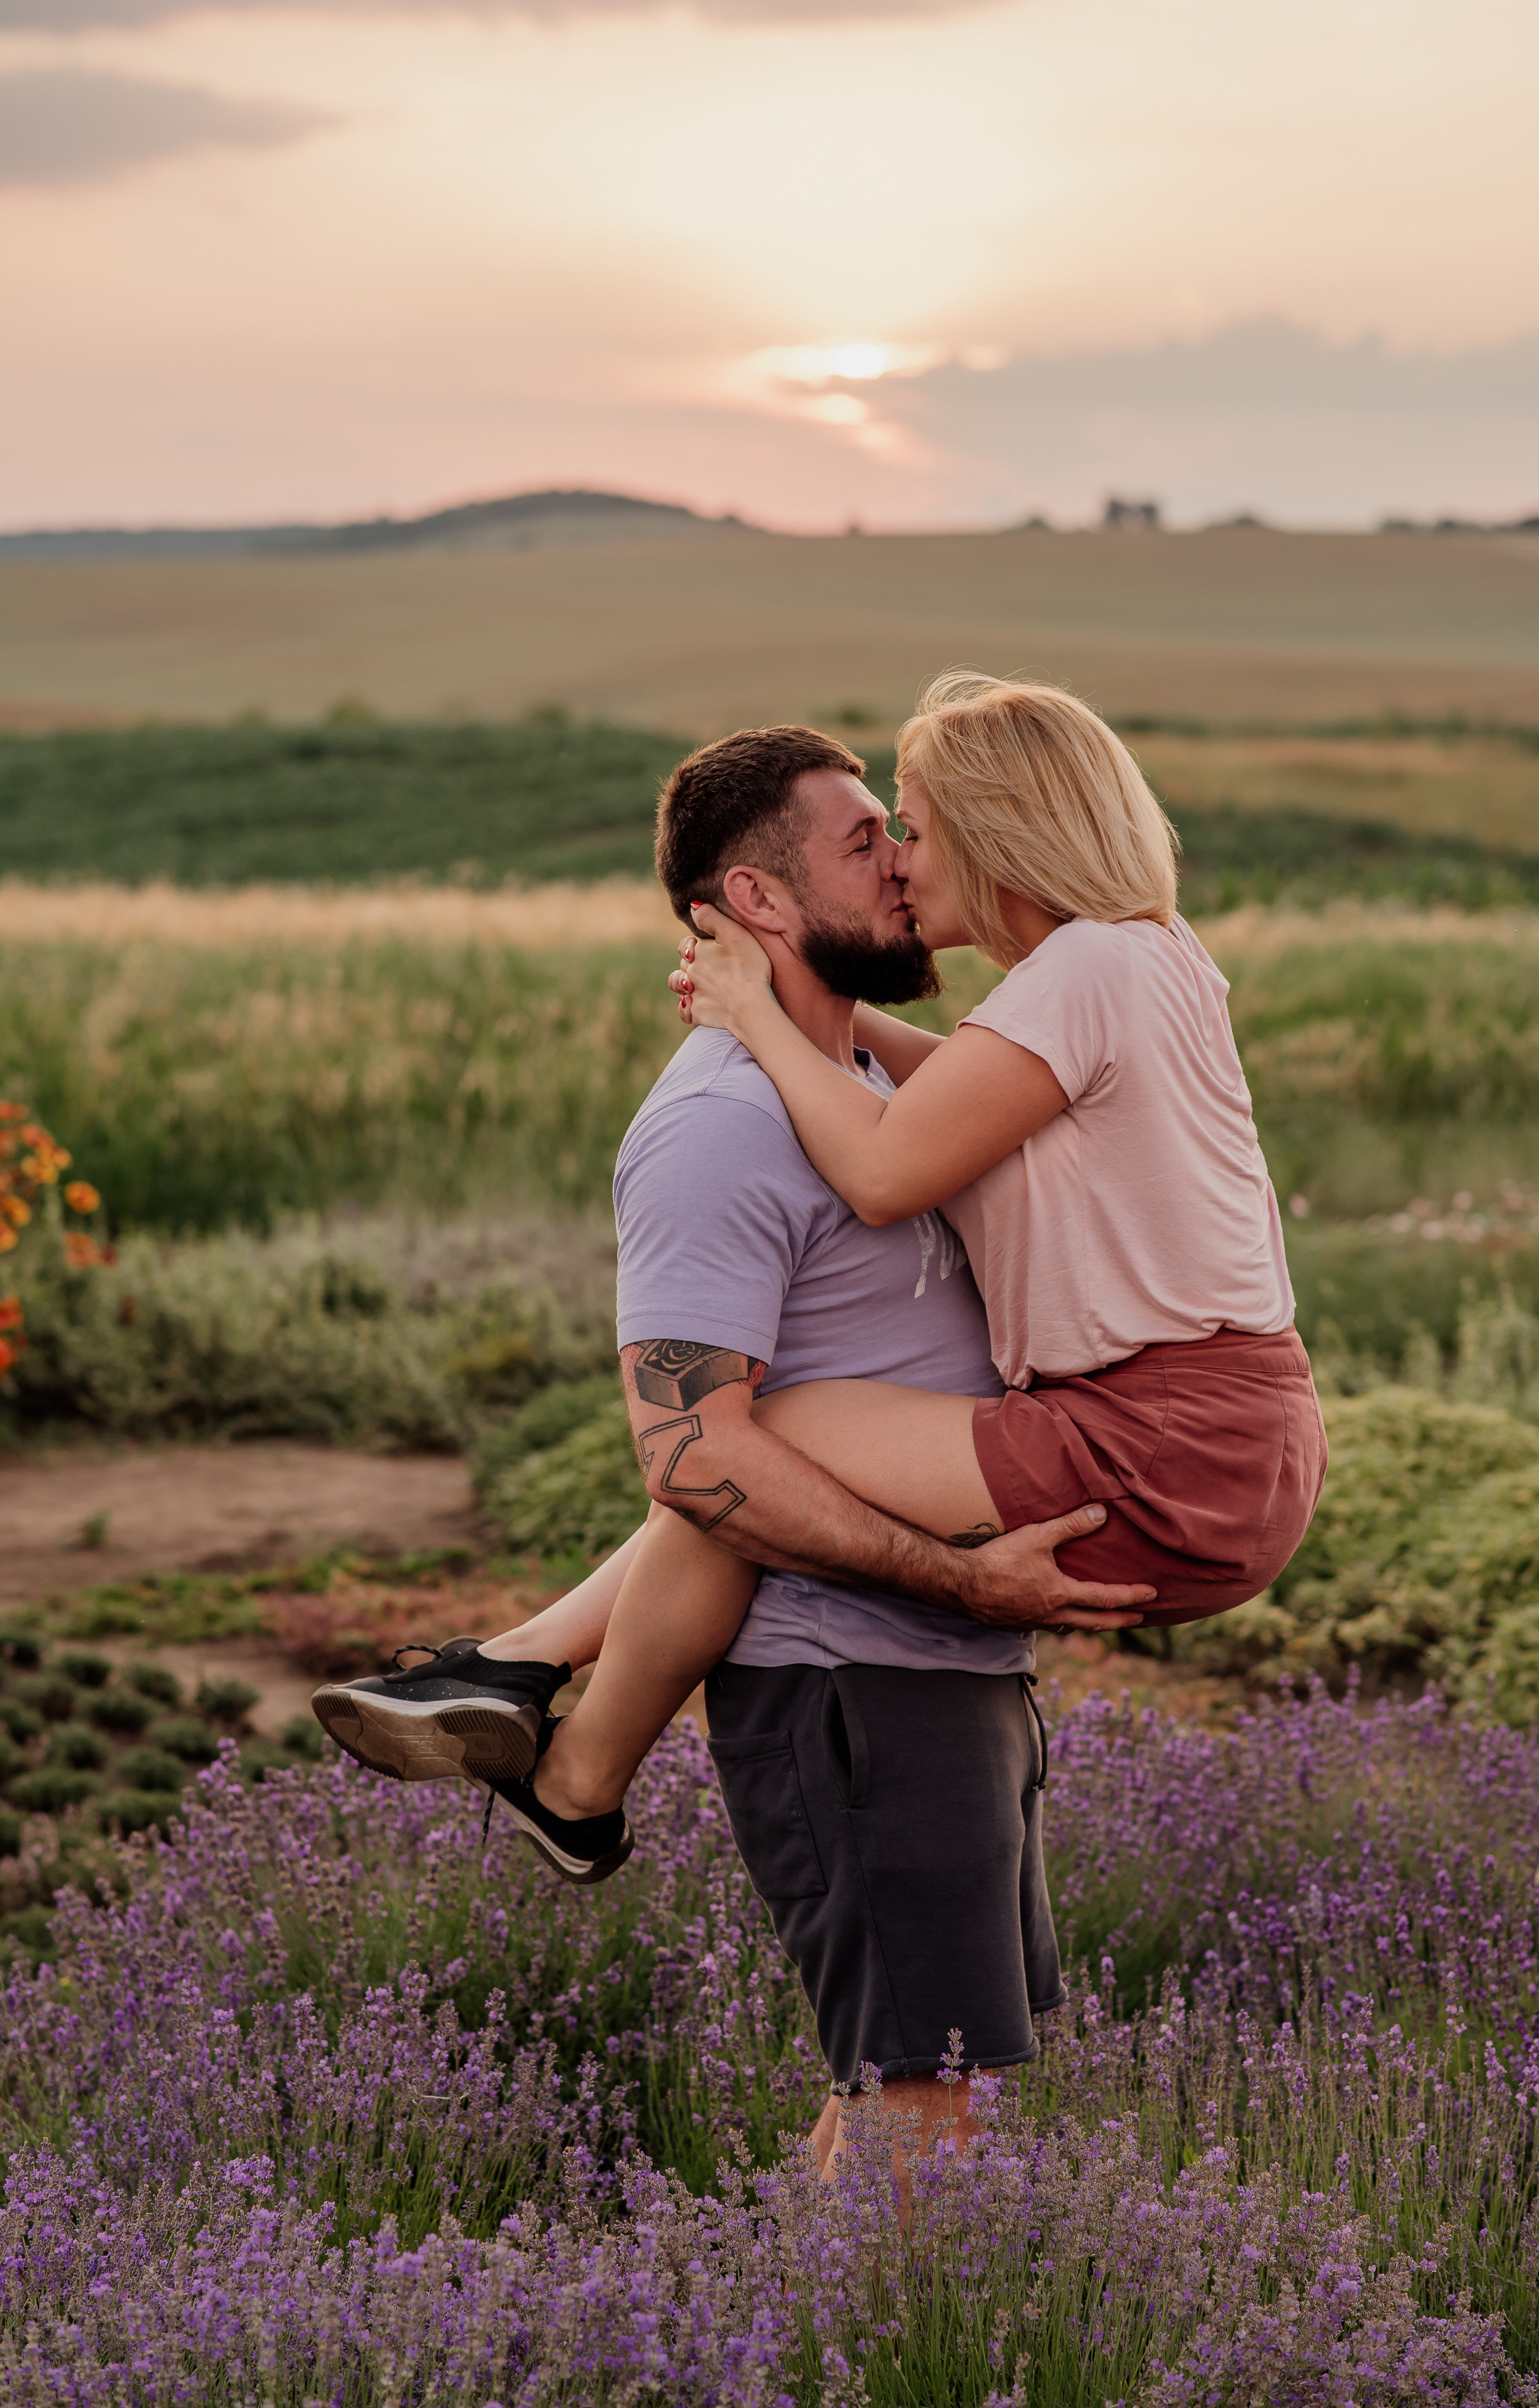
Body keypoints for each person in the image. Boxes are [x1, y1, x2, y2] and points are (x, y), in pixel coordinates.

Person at [314, 719, 1152, 2179]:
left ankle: (520, 1683)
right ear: (757, 902)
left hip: (942, 1669)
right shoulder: (717, 1125)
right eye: (860, 843)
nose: (901, 864)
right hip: (851, 1678)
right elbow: (696, 1463)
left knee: (915, 2086)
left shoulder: (869, 1092)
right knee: (924, 2112)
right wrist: (961, 1585)